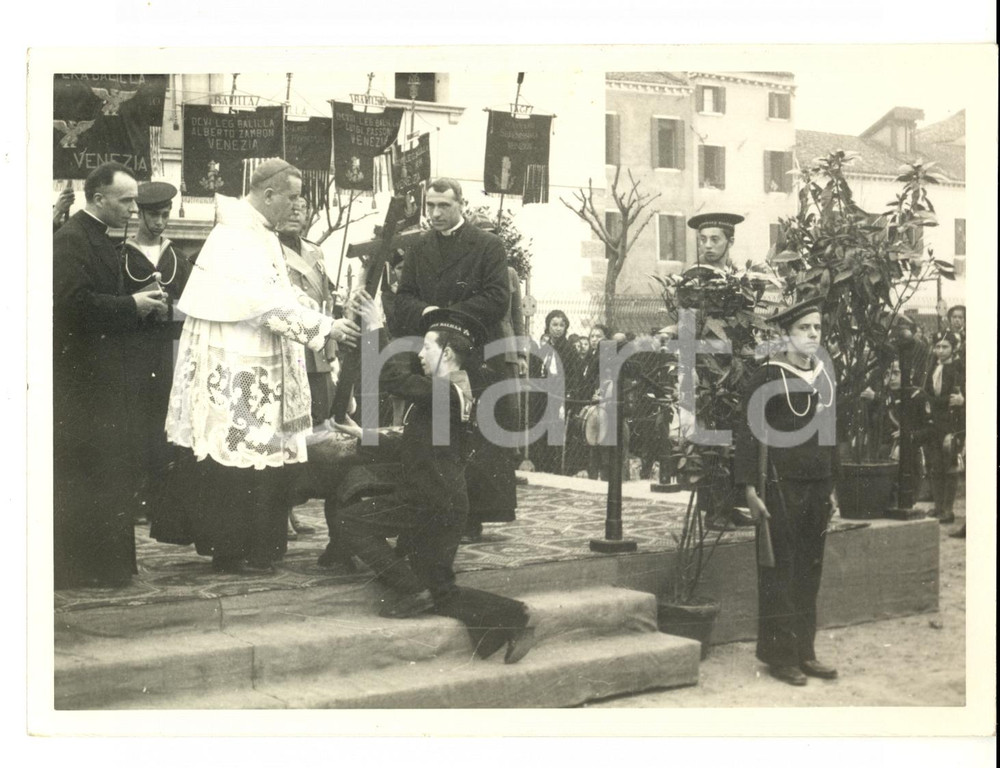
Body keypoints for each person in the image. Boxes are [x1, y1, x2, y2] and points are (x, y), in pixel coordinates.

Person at [163, 158, 361, 574]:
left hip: (255, 358)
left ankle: (254, 548)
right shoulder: (238, 234)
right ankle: (238, 549)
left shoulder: (259, 231)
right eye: (291, 197)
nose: (297, 204)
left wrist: (316, 314)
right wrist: (324, 329)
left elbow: (280, 292)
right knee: (242, 449)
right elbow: (260, 305)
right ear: (268, 194)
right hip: (239, 360)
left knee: (257, 451)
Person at [332, 308, 536, 663]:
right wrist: (362, 434)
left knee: (352, 520)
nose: (421, 354)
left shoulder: (449, 391)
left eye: (428, 347)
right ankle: (515, 618)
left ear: (449, 354)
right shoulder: (446, 392)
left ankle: (412, 592)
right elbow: (411, 443)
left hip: (427, 501)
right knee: (442, 590)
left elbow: (393, 379)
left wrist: (377, 325)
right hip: (442, 503)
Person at [53, 161, 168, 588]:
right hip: (83, 386)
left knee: (107, 476)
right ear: (98, 199)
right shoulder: (70, 241)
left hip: (103, 382)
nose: (134, 209)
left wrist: (139, 306)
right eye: (126, 201)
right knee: (90, 477)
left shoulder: (96, 238)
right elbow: (71, 306)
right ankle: (89, 570)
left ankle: (105, 569)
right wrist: (131, 306)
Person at [391, 179, 515, 539]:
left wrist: (448, 316)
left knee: (471, 435)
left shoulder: (488, 246)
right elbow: (404, 299)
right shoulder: (418, 247)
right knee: (433, 435)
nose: (435, 213)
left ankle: (471, 516)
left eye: (444, 205)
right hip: (432, 351)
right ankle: (431, 509)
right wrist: (427, 310)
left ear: (462, 204)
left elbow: (496, 299)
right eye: (430, 206)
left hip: (474, 353)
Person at [735, 296, 839, 687]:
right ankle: (780, 657)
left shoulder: (824, 375)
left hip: (816, 488)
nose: (812, 335)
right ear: (786, 335)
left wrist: (832, 487)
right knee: (781, 570)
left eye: (817, 328)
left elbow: (831, 436)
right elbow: (747, 435)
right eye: (804, 329)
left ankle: (805, 652)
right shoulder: (766, 376)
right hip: (778, 487)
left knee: (810, 569)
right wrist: (748, 488)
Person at [120, 181, 195, 526]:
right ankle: (134, 494)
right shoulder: (123, 255)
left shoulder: (176, 258)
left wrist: (173, 310)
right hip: (134, 351)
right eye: (154, 215)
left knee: (166, 422)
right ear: (140, 213)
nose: (161, 222)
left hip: (169, 351)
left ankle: (160, 497)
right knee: (135, 421)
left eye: (165, 215)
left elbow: (194, 303)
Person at [278, 196, 337, 539]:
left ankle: (296, 506)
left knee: (316, 431)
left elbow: (326, 302)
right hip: (288, 348)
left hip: (316, 355)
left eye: (300, 211)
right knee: (286, 433)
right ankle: (281, 511)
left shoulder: (315, 252)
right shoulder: (267, 251)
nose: (294, 216)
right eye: (290, 210)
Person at [923, 331, 965, 528]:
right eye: (937, 346)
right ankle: (938, 506)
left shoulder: (959, 369)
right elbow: (928, 393)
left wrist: (962, 401)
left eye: (945, 346)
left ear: (954, 348)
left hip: (951, 423)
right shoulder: (933, 367)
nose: (940, 350)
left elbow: (956, 398)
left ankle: (948, 509)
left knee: (949, 464)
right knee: (935, 464)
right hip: (935, 423)